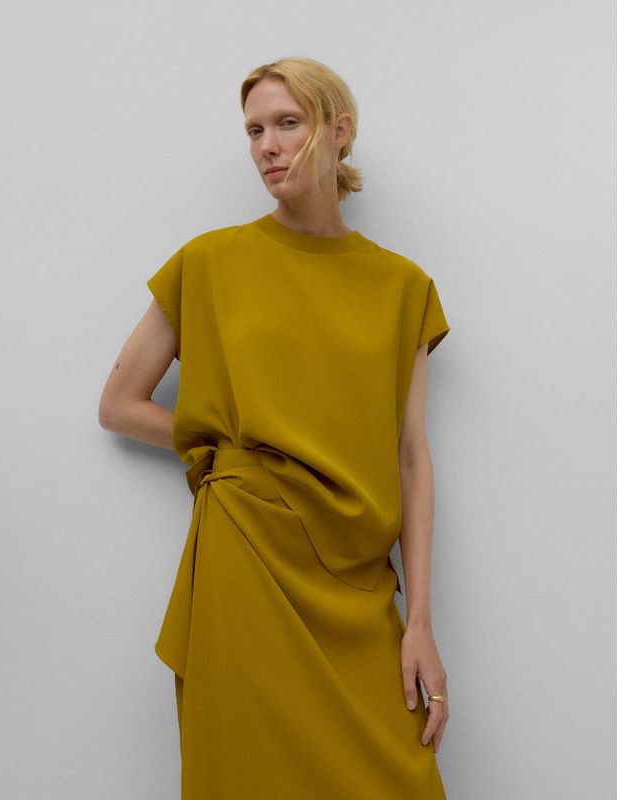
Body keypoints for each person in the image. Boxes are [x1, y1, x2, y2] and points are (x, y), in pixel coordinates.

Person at [99, 56, 452, 799]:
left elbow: (411, 458)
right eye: (254, 130)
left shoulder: (403, 286)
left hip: (357, 577)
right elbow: (120, 403)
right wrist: (221, 447)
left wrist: (419, 621)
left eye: (288, 123)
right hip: (246, 557)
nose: (268, 146)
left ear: (340, 130)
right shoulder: (209, 262)